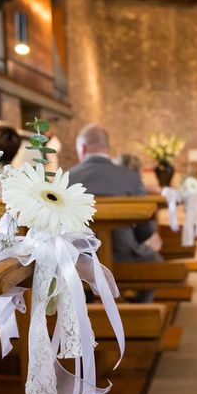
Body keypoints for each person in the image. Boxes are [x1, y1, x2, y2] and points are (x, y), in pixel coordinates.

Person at [69, 124, 162, 301]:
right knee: (155, 259)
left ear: (82, 147)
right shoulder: (130, 177)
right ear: (107, 147)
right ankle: (140, 309)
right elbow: (145, 230)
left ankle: (85, 307)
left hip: (79, 263)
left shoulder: (67, 177)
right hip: (125, 258)